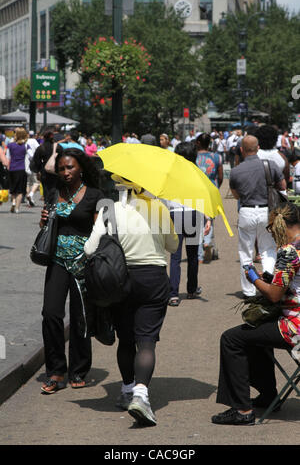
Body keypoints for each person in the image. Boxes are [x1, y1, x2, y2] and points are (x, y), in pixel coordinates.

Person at [84, 175, 178, 426]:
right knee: (146, 341)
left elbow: (90, 249)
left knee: (125, 339)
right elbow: (173, 245)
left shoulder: (110, 210)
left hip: (120, 279)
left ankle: (126, 390)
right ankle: (141, 394)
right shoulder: (159, 208)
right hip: (153, 278)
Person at [212, 201, 300, 425]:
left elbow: (273, 296)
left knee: (231, 339)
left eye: (272, 230)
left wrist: (254, 278)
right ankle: (269, 394)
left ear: (280, 226)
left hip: (295, 327)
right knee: (255, 333)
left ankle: (242, 411)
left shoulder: (290, 251)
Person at [39, 148, 103, 394]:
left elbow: (101, 231)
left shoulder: (95, 195)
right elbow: (46, 225)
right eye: (62, 168)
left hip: (83, 263)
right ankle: (56, 370)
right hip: (57, 261)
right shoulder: (55, 193)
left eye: (70, 168)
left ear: (81, 169)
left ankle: (78, 369)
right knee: (51, 313)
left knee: (80, 318)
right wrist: (44, 220)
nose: (65, 172)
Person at [229, 135, 286, 298]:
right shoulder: (270, 165)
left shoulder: (236, 171)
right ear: (258, 147)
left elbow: (236, 195)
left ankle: (249, 290)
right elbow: (282, 186)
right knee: (268, 249)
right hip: (267, 211)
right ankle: (267, 284)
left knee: (245, 252)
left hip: (246, 211)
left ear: (241, 150)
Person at [166, 141, 211, 306]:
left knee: (175, 257)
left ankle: (173, 294)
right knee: (192, 255)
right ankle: (191, 289)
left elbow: (163, 197)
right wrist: (208, 218)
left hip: (174, 215)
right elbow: (204, 196)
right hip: (193, 215)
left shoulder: (170, 173)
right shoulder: (198, 173)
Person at [195, 133, 223, 263]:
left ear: (198, 143)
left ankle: (199, 256)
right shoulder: (217, 157)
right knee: (209, 219)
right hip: (211, 190)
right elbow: (221, 176)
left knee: (197, 221)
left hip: (195, 190)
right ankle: (207, 242)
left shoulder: (193, 157)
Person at [30, 128, 58, 204]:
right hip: (56, 172)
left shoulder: (41, 148)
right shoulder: (57, 147)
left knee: (46, 191)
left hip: (44, 172)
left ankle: (47, 207)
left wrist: (37, 171)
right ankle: (53, 206)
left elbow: (36, 161)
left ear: (44, 137)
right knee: (55, 190)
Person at [7, 128, 30, 214]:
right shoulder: (26, 145)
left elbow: (8, 156)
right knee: (20, 190)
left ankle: (13, 202)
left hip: (12, 168)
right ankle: (17, 208)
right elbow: (31, 155)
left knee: (13, 188)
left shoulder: (11, 145)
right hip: (21, 168)